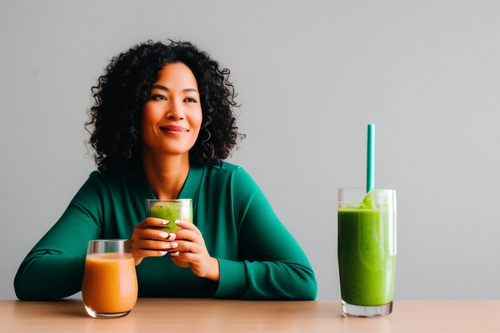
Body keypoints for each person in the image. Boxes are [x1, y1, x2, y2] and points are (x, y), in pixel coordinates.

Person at [14, 40, 317, 300]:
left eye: (189, 99)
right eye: (159, 96)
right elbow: (30, 277)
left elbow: (302, 280)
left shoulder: (231, 185)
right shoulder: (105, 190)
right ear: (131, 109)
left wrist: (212, 266)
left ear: (206, 114)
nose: (177, 112)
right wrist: (124, 253)